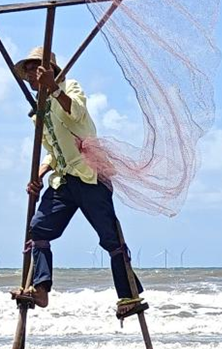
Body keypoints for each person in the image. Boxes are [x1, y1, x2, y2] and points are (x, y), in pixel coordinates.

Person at [12, 47, 144, 318]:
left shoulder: (69, 88)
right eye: (28, 74)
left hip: (89, 175)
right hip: (63, 180)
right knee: (38, 231)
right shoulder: (39, 112)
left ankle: (128, 295)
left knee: (111, 238)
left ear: (47, 71)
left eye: (35, 72)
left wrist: (55, 90)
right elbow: (53, 150)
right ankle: (41, 288)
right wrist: (39, 172)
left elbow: (76, 114)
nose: (31, 78)